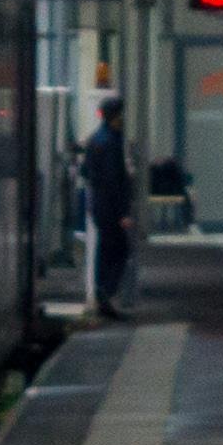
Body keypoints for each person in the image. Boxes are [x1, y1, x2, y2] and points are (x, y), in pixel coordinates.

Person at [77, 106, 140, 317]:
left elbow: (85, 170)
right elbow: (114, 180)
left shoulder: (96, 138)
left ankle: (102, 294)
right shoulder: (111, 142)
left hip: (98, 204)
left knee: (104, 250)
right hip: (111, 207)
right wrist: (123, 212)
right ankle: (106, 293)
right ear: (116, 116)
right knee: (121, 249)